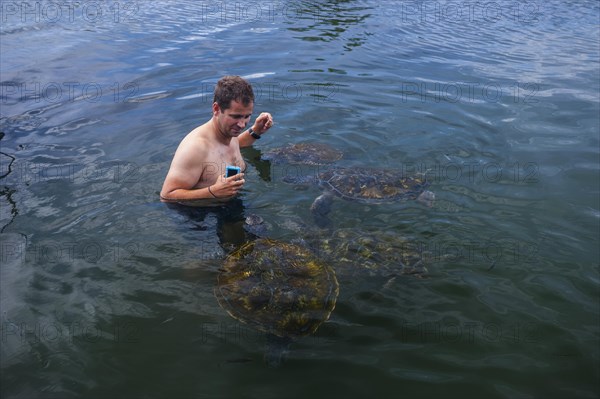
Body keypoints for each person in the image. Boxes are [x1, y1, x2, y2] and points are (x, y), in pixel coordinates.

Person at [160, 75, 273, 203]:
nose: (242, 124)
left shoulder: (229, 132)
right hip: (204, 216)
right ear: (216, 109)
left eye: (247, 116)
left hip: (234, 202)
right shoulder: (195, 148)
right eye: (235, 116)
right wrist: (212, 192)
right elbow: (166, 194)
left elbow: (230, 147)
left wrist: (255, 131)